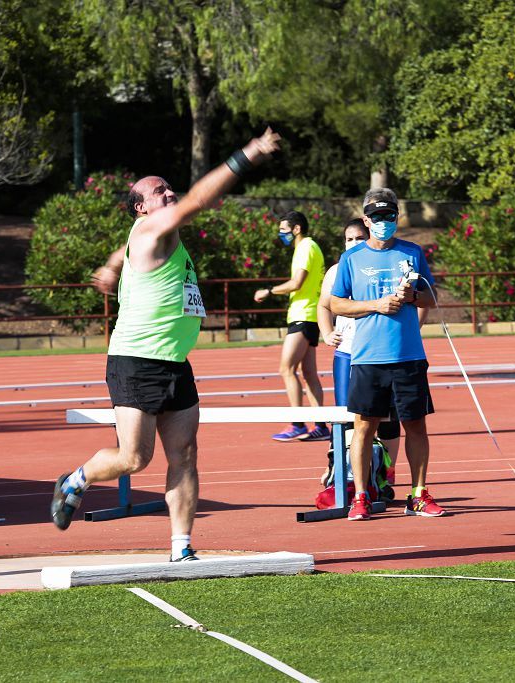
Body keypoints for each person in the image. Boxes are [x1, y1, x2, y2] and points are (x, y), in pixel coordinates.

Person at [51, 128, 282, 562]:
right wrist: (249, 152)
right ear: (141, 208)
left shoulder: (147, 236)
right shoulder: (150, 227)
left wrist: (110, 265)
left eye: (169, 187)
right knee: (134, 458)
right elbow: (199, 200)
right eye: (160, 191)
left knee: (185, 455)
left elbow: (124, 251)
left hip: (175, 362)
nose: (170, 192)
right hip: (136, 361)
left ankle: (182, 548)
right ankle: (75, 481)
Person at [329, 188, 445, 521]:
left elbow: (430, 298)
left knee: (416, 425)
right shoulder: (351, 258)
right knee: (364, 428)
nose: (384, 222)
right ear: (366, 221)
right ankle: (361, 496)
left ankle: (418, 494)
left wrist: (412, 297)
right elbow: (336, 303)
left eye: (390, 216)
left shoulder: (412, 252)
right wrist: (374, 306)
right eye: (377, 217)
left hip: (408, 354)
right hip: (368, 357)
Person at [317, 218, 400, 495]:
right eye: (347, 239)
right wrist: (327, 333)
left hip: (380, 351)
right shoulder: (336, 270)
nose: (352, 244)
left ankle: (386, 473)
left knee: (386, 416)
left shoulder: (380, 266)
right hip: (347, 352)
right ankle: (339, 470)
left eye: (357, 238)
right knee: (344, 415)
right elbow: (324, 306)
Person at [254, 211, 327, 442]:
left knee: (287, 369)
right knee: (309, 374)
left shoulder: (305, 247)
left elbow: (297, 283)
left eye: (284, 229)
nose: (281, 234)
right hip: (309, 315)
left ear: (297, 229)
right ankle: (321, 426)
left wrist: (269, 291)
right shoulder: (309, 247)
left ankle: (297, 423)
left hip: (304, 315)